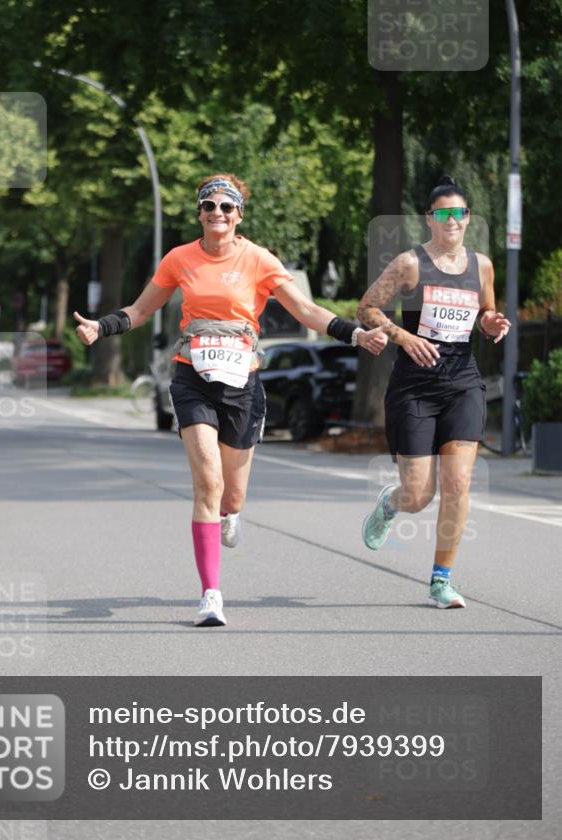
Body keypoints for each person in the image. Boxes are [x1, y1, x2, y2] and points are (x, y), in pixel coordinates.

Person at [74, 174, 388, 627]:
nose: (216, 213)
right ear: (199, 213)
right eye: (208, 206)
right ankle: (211, 595)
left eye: (226, 206)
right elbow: (142, 310)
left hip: (242, 381)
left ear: (239, 214)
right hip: (191, 376)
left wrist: (354, 333)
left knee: (232, 495)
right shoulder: (180, 258)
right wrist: (100, 326)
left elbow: (306, 310)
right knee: (207, 484)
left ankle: (232, 513)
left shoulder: (258, 259)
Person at [356, 174, 510, 608]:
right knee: (419, 495)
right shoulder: (409, 263)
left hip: (462, 380)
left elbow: (485, 312)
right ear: (430, 219)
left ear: (467, 218)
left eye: (460, 213)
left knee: (458, 482)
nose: (454, 221)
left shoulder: (481, 265)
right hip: (415, 386)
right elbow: (366, 308)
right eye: (444, 214)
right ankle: (392, 503)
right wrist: (404, 338)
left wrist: (492, 324)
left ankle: (441, 580)